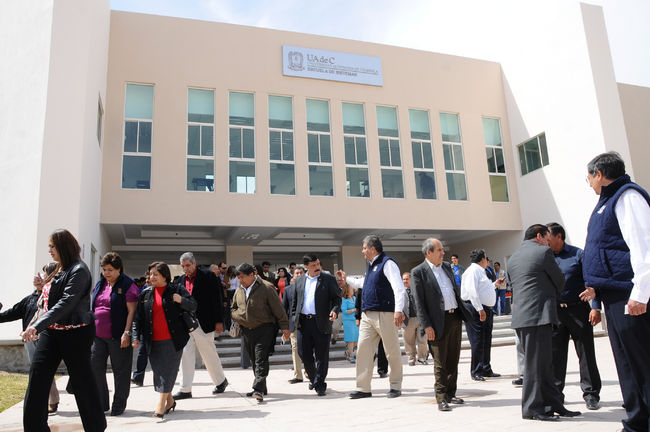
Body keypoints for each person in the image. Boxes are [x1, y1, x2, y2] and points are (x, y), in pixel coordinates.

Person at [582, 151, 650, 431]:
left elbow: (644, 246)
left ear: (599, 174)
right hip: (613, 296)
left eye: (588, 177)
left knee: (642, 363)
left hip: (629, 294)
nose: (588, 184)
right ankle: (636, 421)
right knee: (626, 365)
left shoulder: (628, 197)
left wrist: (641, 293)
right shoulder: (606, 201)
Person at [22, 229, 106, 432]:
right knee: (37, 378)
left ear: (63, 246)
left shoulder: (79, 270)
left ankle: (95, 427)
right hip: (52, 333)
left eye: (52, 246)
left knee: (82, 382)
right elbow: (52, 298)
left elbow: (66, 303)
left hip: (75, 334)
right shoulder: (60, 268)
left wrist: (36, 325)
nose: (49, 250)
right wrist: (43, 287)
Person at [508, 224, 580, 421]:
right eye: (547, 238)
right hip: (538, 315)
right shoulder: (543, 252)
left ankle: (554, 404)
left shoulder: (513, 258)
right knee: (536, 366)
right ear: (539, 236)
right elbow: (560, 280)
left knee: (544, 365)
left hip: (523, 317)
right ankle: (533, 408)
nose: (548, 243)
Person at [340, 235, 406, 399]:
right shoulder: (370, 266)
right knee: (363, 350)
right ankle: (363, 388)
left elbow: (399, 288)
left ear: (372, 248)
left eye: (364, 248)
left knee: (391, 351)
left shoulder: (388, 263)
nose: (362, 251)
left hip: (385, 314)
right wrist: (346, 279)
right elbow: (364, 283)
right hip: (367, 315)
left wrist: (398, 310)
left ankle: (395, 386)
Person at [411, 238, 472, 411]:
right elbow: (419, 303)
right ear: (428, 252)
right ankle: (441, 398)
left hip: (454, 318)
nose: (443, 253)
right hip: (437, 323)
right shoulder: (418, 272)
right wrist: (427, 326)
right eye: (439, 250)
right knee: (440, 362)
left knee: (453, 359)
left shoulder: (446, 267)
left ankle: (451, 394)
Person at [546, 222, 602, 411]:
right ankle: (556, 395)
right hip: (556, 312)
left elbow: (591, 281)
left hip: (578, 310)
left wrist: (596, 307)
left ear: (559, 236)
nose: (546, 241)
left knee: (586, 353)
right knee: (556, 356)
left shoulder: (578, 254)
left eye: (549, 237)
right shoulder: (546, 257)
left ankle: (591, 394)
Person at [132, 261, 197, 419]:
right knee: (159, 372)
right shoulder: (146, 294)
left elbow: (193, 305)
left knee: (168, 371)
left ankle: (161, 405)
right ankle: (170, 401)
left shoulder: (176, 289)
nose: (151, 277)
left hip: (173, 339)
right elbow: (138, 318)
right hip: (152, 340)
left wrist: (181, 300)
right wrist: (135, 336)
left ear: (165, 275)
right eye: (150, 274)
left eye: (155, 274)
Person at [0, 262, 60, 414]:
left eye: (44, 275)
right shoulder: (30, 299)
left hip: (46, 339)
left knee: (41, 371)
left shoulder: (51, 296)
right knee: (39, 371)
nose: (39, 278)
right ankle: (50, 401)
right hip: (30, 341)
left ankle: (50, 402)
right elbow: (12, 313)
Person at [231, 263, 290, 402]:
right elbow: (233, 308)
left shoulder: (266, 287)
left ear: (252, 275)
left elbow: (278, 310)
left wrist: (285, 327)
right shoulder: (239, 290)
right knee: (253, 359)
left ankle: (258, 389)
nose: (240, 280)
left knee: (260, 358)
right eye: (238, 278)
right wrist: (239, 316)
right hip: (247, 330)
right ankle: (262, 387)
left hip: (265, 329)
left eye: (242, 277)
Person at [174, 252, 229, 400]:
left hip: (204, 322)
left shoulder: (208, 276)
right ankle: (185, 389)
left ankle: (221, 381)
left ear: (194, 263)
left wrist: (219, 321)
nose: (186, 269)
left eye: (188, 265)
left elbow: (217, 300)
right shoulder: (179, 281)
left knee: (208, 353)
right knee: (185, 354)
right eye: (183, 266)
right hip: (186, 323)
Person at [90, 252, 139, 416]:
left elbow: (132, 312)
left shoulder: (128, 285)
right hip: (97, 336)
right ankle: (101, 403)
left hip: (118, 335)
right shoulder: (100, 284)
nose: (106, 273)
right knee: (95, 368)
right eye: (104, 269)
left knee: (121, 371)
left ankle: (119, 404)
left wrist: (127, 332)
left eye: (110, 270)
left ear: (119, 269)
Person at [291, 254, 341, 396]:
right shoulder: (299, 281)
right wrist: (293, 321)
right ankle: (314, 378)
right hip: (304, 323)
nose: (317, 267)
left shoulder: (328, 279)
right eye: (313, 265)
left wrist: (334, 310)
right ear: (306, 267)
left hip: (322, 322)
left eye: (318, 264)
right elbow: (295, 303)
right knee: (303, 353)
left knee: (321, 356)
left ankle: (320, 384)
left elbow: (337, 299)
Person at [460, 249, 502, 381]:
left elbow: (483, 289)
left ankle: (486, 368)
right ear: (482, 259)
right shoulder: (472, 271)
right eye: (486, 258)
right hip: (475, 309)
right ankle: (476, 371)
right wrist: (479, 309)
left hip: (485, 308)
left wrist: (495, 284)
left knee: (486, 339)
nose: (487, 260)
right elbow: (472, 292)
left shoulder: (481, 271)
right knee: (477, 340)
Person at [282, 266, 305, 383]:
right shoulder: (288, 290)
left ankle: (309, 370)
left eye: (301, 272)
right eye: (297, 273)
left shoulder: (309, 288)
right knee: (295, 348)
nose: (299, 274)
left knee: (308, 348)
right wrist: (284, 327)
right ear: (293, 276)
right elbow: (283, 309)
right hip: (294, 324)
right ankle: (298, 375)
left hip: (308, 322)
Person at [401, 272, 428, 366]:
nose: (405, 281)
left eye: (406, 279)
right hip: (407, 319)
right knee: (408, 341)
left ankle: (422, 357)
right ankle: (411, 358)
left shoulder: (418, 289)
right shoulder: (399, 291)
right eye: (403, 279)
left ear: (411, 279)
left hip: (420, 318)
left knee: (422, 339)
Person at [131, 270, 151, 387]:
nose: (148, 280)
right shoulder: (143, 293)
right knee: (142, 353)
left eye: (150, 278)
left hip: (158, 330)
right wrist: (136, 335)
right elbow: (138, 315)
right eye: (147, 278)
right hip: (145, 329)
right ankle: (138, 377)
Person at [340, 279, 358, 363]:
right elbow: (344, 311)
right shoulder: (344, 299)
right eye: (351, 288)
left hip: (355, 321)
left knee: (356, 340)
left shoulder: (354, 298)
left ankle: (347, 352)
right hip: (348, 321)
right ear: (347, 290)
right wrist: (354, 310)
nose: (353, 290)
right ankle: (351, 356)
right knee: (351, 339)